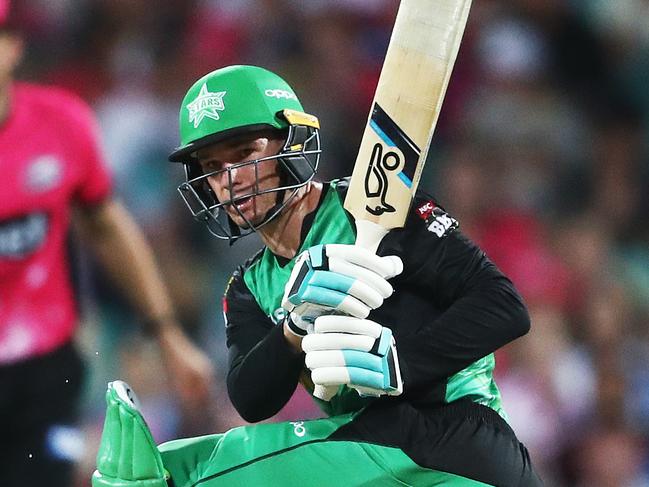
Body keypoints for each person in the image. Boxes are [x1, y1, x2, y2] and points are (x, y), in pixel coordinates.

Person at [93, 65, 544, 486]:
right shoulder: (250, 287)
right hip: (371, 452)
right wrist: (293, 326)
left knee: (175, 476)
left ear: (292, 143)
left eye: (244, 152)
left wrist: (399, 364)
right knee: (176, 460)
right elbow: (251, 400)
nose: (228, 179)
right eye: (212, 168)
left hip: (454, 441)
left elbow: (505, 307)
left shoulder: (375, 208)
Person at [0, 3, 214, 486]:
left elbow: (108, 226)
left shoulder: (60, 125)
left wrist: (167, 334)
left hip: (43, 370)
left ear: (12, 46)